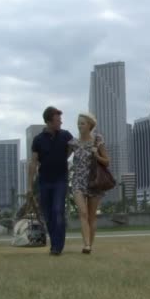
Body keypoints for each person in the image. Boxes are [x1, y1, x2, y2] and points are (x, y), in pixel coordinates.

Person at [27, 106, 74, 256]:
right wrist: (29, 186)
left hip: (61, 180)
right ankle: (54, 243)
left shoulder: (66, 135)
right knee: (48, 214)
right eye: (57, 120)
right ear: (49, 121)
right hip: (44, 181)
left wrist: (63, 158)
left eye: (60, 119)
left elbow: (74, 147)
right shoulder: (38, 140)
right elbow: (33, 163)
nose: (60, 122)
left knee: (57, 211)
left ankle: (57, 247)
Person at [68, 112, 110, 254]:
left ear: (90, 125)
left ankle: (89, 245)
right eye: (78, 123)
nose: (80, 126)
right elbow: (62, 158)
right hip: (78, 181)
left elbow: (107, 161)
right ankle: (86, 244)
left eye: (83, 123)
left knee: (92, 216)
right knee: (83, 213)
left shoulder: (98, 140)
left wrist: (96, 155)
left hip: (94, 181)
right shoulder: (73, 143)